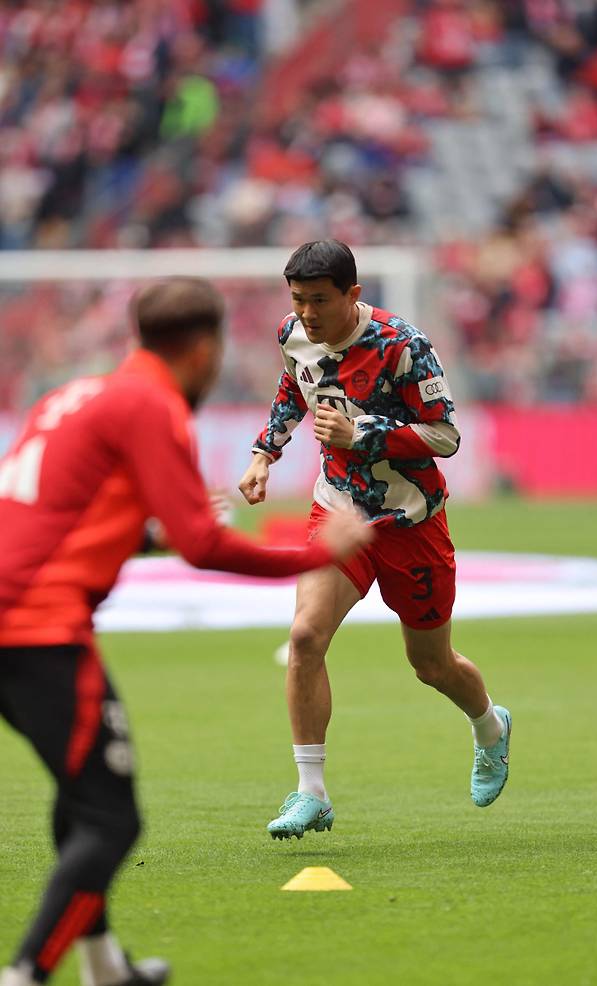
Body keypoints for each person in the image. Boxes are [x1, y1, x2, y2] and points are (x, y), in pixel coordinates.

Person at [0, 276, 370, 986]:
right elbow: (205, 544)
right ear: (204, 350)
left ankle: (105, 968)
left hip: (19, 614)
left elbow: (53, 515)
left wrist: (143, 538)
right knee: (112, 824)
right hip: (34, 627)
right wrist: (320, 551)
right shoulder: (153, 405)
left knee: (82, 800)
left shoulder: (75, 394)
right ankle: (24, 975)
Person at [238, 240, 512, 841]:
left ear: (352, 295)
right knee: (306, 635)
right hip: (338, 512)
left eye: (320, 300)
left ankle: (490, 726)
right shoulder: (293, 333)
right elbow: (294, 388)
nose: (307, 313)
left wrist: (365, 430)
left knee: (431, 664)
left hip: (410, 521)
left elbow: (446, 436)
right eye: (299, 300)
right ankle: (311, 791)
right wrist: (265, 453)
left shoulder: (401, 345)